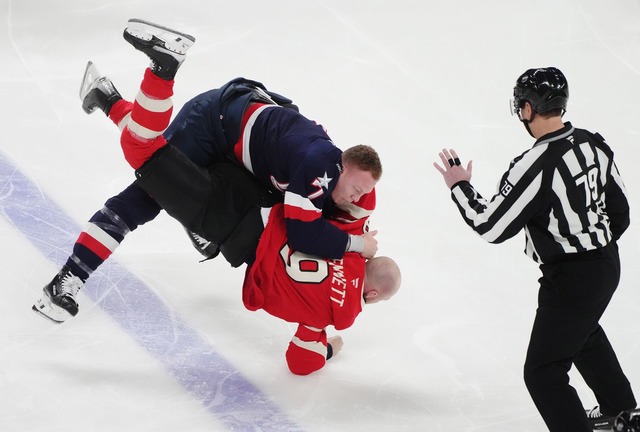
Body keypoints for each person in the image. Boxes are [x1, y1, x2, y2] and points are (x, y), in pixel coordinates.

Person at [33, 18, 382, 323]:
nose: (358, 196)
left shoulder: (331, 171)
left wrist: (359, 236)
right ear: (345, 165)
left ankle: (105, 96)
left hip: (234, 138)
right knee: (143, 193)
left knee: (159, 159)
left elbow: (343, 210)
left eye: (363, 193)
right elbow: (305, 234)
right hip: (212, 124)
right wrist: (357, 242)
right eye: (357, 187)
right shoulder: (320, 167)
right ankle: (162, 68)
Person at [433, 67, 636, 431]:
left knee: (543, 372)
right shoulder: (593, 143)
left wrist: (460, 186)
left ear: (527, 109)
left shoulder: (536, 165)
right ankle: (623, 413)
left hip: (571, 278)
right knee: (583, 332)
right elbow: (620, 211)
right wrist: (594, 246)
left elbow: (491, 226)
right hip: (607, 264)